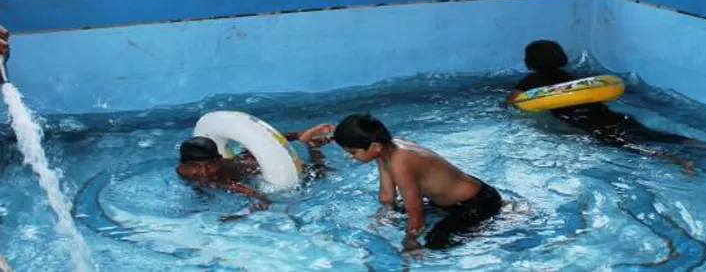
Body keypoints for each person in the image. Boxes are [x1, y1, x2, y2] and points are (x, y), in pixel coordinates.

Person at [505, 40, 706, 174]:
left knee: (629, 145)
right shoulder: (573, 78)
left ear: (529, 62)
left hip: (586, 125)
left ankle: (678, 161)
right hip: (609, 116)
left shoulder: (530, 83)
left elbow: (512, 104)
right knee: (653, 134)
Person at [333, 114, 502, 251]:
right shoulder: (387, 149)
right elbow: (387, 197)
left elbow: (416, 210)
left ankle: (495, 223)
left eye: (353, 152)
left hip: (477, 203)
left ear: (375, 146)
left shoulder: (400, 163)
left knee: (436, 243)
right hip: (452, 200)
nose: (349, 156)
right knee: (399, 213)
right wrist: (386, 214)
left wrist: (411, 241)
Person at [176, 123, 334, 221]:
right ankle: (302, 136)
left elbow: (264, 200)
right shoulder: (182, 171)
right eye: (195, 166)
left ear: (219, 159)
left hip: (253, 167)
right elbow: (197, 185)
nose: (204, 172)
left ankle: (310, 143)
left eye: (211, 165)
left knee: (318, 173)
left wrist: (240, 214)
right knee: (251, 152)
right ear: (183, 164)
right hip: (241, 159)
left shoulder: (226, 179)